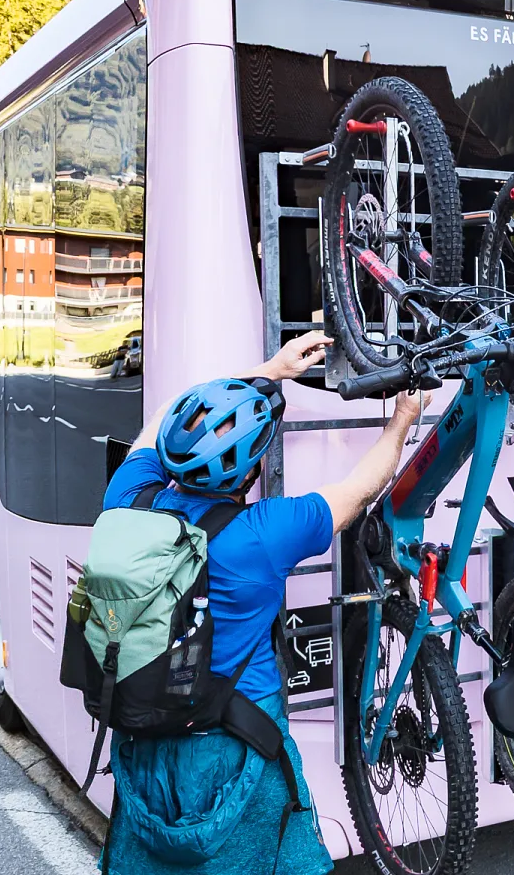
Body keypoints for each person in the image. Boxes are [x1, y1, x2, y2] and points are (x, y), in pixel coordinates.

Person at [97, 330, 428, 875]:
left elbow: (158, 424)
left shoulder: (127, 496)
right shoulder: (261, 535)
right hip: (239, 754)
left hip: (142, 745)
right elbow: (365, 485)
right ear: (251, 474)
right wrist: (402, 419)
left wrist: (265, 371)